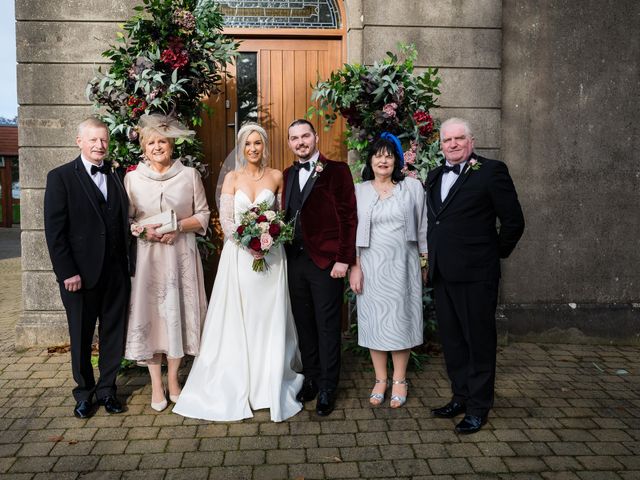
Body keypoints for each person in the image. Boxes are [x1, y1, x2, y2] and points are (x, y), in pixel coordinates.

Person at [174, 123, 304, 422]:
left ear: (265, 146)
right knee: (243, 315)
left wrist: (269, 239)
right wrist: (250, 244)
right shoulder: (232, 177)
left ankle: (269, 380)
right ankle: (240, 381)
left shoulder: (276, 177)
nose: (253, 149)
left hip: (272, 258)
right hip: (241, 257)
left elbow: (282, 217)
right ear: (242, 147)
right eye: (248, 144)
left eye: (258, 143)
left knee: (268, 316)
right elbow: (227, 222)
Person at [427, 117, 524, 434]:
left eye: (458, 138)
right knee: (453, 342)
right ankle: (460, 397)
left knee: (479, 342)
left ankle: (479, 408)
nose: (452, 144)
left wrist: (492, 254)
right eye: (446, 140)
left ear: (471, 141)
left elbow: (513, 222)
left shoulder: (491, 171)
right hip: (442, 274)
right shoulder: (434, 175)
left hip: (476, 275)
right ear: (440, 145)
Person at [44, 117, 131, 418]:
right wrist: (67, 272)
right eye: (93, 140)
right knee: (81, 336)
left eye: (104, 139)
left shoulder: (116, 175)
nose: (99, 145)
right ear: (79, 141)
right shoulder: (61, 177)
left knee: (113, 334)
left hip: (116, 272)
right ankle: (84, 393)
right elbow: (54, 231)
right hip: (79, 276)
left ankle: (107, 390)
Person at [123, 114, 210, 412]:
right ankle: (156, 385)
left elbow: (204, 214)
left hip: (179, 255)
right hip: (149, 259)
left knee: (177, 317)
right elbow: (128, 219)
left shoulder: (189, 176)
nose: (157, 147)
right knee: (153, 319)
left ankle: (174, 380)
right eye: (151, 142)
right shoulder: (132, 179)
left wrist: (180, 227)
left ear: (172, 145)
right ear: (144, 148)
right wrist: (141, 230)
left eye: (162, 141)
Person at [283, 119, 357, 416]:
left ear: (315, 138)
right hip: (296, 260)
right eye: (294, 138)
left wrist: (343, 258)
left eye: (305, 136)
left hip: (327, 262)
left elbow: (349, 217)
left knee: (327, 327)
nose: (300, 142)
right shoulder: (289, 174)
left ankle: (328, 386)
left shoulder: (337, 170)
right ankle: (312, 378)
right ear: (289, 143)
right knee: (304, 324)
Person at [349, 133, 427, 408]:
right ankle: (380, 379)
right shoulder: (359, 190)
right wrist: (355, 267)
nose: (383, 160)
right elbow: (351, 230)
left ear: (396, 160)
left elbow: (423, 225)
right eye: (378, 155)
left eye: (389, 155)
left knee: (400, 319)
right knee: (374, 321)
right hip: (369, 265)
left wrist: (424, 259)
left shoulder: (413, 188)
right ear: (370, 160)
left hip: (402, 264)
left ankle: (400, 380)